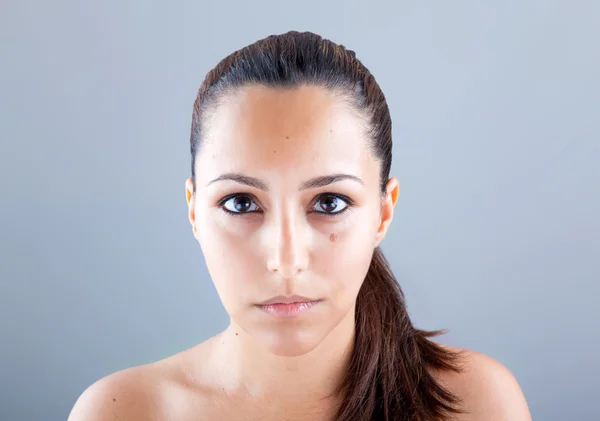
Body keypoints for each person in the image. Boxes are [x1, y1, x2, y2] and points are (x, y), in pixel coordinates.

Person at [68, 30, 531, 421]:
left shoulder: (476, 406)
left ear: (383, 213)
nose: (286, 260)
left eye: (329, 202)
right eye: (241, 202)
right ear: (194, 211)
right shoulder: (122, 411)